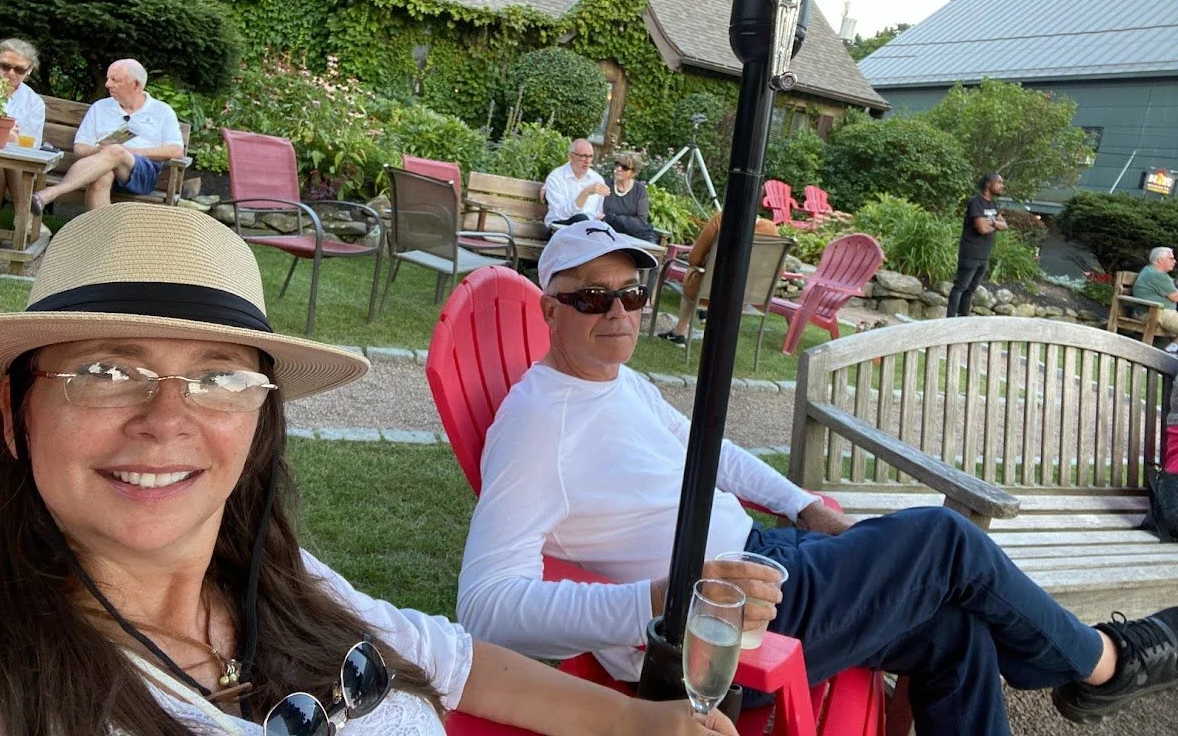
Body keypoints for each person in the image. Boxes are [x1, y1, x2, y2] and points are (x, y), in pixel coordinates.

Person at [0, 203, 734, 736]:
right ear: (13, 413)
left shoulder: (279, 579)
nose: (165, 419)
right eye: (105, 371)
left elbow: (453, 659)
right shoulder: (21, 685)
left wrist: (636, 721)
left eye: (219, 376)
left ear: (259, 420)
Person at [457, 218, 1178, 736]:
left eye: (632, 293)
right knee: (941, 538)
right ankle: (1105, 663)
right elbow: (485, 608)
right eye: (591, 297)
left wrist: (805, 505)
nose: (617, 312)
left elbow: (708, 450)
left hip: (765, 556)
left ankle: (1092, 665)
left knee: (957, 633)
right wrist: (666, 598)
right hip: (719, 627)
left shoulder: (616, 380)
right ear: (549, 308)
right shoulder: (536, 426)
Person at [29, 59, 184, 215]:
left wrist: (129, 151)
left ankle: (51, 193)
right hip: (97, 168)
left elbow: (176, 151)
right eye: (108, 78)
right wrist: (101, 151)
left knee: (116, 151)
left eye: (115, 80)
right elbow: (80, 148)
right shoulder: (100, 107)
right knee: (101, 177)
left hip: (143, 173)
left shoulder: (162, 111)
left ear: (136, 85)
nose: (107, 84)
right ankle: (102, 232)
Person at [657, 208, 778, 347]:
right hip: (744, 297)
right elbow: (779, 270)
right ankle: (710, 324)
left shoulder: (721, 220)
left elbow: (694, 259)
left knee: (693, 272)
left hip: (711, 292)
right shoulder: (770, 229)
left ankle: (679, 332)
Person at [0, 37, 46, 216]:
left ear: (29, 70)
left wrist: (13, 139)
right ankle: (24, 215)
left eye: (19, 69)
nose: (11, 73)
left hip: (12, 164)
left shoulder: (33, 102)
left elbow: (32, 146)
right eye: (5, 66)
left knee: (2, 164)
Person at [946, 173, 1008, 317]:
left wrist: (991, 222)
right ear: (988, 184)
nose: (1002, 186)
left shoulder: (993, 205)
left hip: (984, 256)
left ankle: (963, 320)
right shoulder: (976, 202)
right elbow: (982, 229)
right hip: (970, 253)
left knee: (970, 290)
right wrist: (995, 225)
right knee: (960, 287)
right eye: (999, 182)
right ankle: (949, 321)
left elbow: (1005, 225)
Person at [543, 138, 608, 227]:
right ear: (570, 157)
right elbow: (560, 214)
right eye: (583, 156)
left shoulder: (597, 179)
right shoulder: (556, 178)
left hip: (588, 229)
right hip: (560, 227)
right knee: (581, 218)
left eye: (590, 156)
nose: (587, 161)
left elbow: (597, 213)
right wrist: (585, 193)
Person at [602, 151, 657, 243]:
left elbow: (641, 220)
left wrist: (616, 219)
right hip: (606, 232)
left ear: (633, 172)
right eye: (617, 164)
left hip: (630, 235)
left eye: (625, 167)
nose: (619, 169)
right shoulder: (605, 184)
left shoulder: (640, 190)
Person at [1131, 247, 1178, 344]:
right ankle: (1171, 350)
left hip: (1156, 312)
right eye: (1171, 258)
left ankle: (1172, 349)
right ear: (1160, 260)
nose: (1174, 261)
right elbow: (1176, 297)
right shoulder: (1157, 275)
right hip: (1155, 313)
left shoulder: (1150, 270)